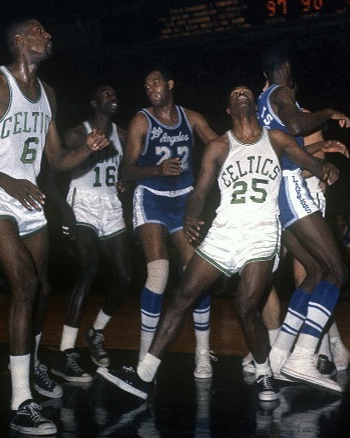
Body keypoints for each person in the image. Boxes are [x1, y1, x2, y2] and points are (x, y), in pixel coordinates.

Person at [97, 85, 343, 402]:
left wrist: (328, 168)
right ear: (228, 109)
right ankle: (144, 375)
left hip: (262, 232)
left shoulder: (277, 139)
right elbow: (199, 193)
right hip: (224, 231)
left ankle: (265, 373)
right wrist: (190, 217)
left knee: (245, 306)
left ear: (254, 104)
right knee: (182, 295)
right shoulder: (218, 147)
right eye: (234, 94)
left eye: (245, 92)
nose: (240, 94)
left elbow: (309, 163)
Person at [0, 17, 111, 435]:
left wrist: (87, 151)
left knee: (42, 289)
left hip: (27, 195)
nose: (49, 36)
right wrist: (7, 180)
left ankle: (35, 361)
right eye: (41, 31)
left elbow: (57, 159)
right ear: (20, 41)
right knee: (24, 284)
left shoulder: (49, 95)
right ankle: (20, 401)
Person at [256, 45, 350, 392]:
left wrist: (321, 152)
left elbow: (287, 149)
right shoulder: (282, 94)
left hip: (275, 191)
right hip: (291, 189)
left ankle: (281, 356)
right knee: (336, 271)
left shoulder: (261, 103)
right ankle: (304, 356)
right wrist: (326, 111)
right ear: (285, 66)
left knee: (312, 272)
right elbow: (297, 124)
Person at [118, 66, 220, 378]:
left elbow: (221, 148)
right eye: (146, 84)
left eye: (156, 82)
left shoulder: (193, 118)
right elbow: (127, 171)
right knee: (159, 273)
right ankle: (144, 356)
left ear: (170, 84)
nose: (150, 87)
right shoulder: (140, 120)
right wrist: (156, 170)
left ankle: (202, 353)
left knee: (195, 274)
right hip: (151, 196)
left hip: (185, 198)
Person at [44, 85, 133, 382]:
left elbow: (126, 173)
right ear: (95, 102)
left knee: (125, 277)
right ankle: (66, 352)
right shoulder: (74, 134)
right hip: (81, 202)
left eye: (115, 93)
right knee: (89, 268)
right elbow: (51, 177)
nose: (113, 97)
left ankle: (95, 332)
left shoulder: (122, 136)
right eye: (107, 94)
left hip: (110, 203)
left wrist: (124, 185)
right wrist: (64, 212)